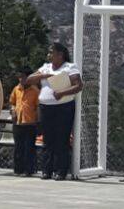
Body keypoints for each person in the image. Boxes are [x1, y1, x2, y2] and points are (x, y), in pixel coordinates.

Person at [25, 42, 83, 181]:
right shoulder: (45, 67)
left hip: (63, 107)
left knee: (61, 139)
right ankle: (47, 170)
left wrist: (62, 93)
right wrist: (44, 75)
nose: (49, 55)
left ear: (60, 54)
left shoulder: (69, 67)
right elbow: (29, 80)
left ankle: (60, 171)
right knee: (47, 139)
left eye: (51, 52)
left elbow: (78, 86)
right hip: (46, 108)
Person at [10, 67, 40, 177]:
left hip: (30, 123)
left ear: (29, 78)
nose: (20, 79)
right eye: (19, 77)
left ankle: (28, 170)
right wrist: (13, 110)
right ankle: (18, 169)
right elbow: (12, 102)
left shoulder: (35, 91)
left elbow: (38, 107)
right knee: (18, 147)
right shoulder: (16, 89)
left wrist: (38, 121)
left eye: (23, 77)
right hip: (18, 122)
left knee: (29, 148)